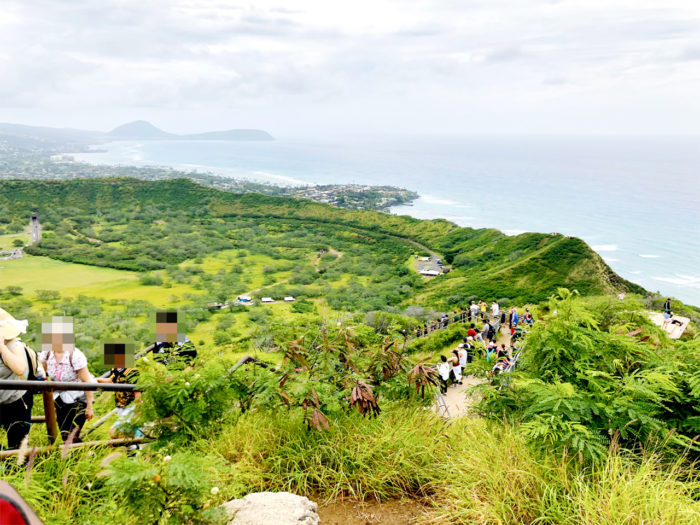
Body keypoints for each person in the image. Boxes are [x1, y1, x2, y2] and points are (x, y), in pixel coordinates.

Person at [39, 317, 94, 443]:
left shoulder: (75, 355)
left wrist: (89, 406)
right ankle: (81, 457)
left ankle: (80, 457)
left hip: (79, 398)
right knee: (65, 433)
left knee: (71, 434)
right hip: (60, 398)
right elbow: (42, 373)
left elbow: (87, 381)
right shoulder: (47, 353)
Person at [0, 309, 37, 449]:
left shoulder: (14, 345)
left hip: (17, 401)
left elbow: (20, 368)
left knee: (17, 446)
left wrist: (2, 347)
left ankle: (18, 468)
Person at [97, 367, 141, 438]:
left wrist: (138, 411)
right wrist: (96, 380)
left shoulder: (132, 371)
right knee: (127, 431)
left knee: (114, 432)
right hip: (121, 405)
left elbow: (137, 392)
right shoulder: (115, 370)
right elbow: (111, 380)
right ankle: (133, 447)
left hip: (131, 406)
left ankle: (135, 443)